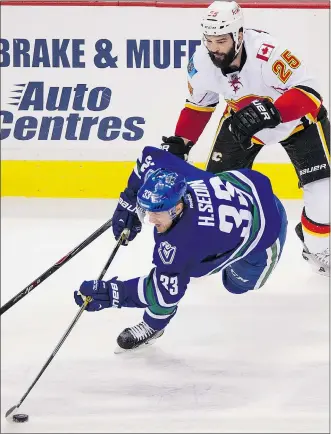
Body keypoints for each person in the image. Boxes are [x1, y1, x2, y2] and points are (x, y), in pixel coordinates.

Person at [160, 0, 330, 276]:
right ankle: (206, 249)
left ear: (238, 35)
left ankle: (317, 247)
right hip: (242, 124)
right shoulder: (202, 62)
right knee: (213, 195)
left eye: (221, 40)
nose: (215, 48)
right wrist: (182, 141)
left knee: (325, 200)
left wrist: (274, 110)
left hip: (299, 124)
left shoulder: (269, 53)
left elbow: (310, 94)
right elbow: (199, 105)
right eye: (210, 40)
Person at [74, 146, 287, 352]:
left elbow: (164, 294)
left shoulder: (182, 244)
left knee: (236, 285)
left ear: (177, 207)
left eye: (157, 212)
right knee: (191, 264)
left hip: (266, 231)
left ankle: (154, 328)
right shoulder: (182, 179)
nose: (149, 217)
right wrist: (129, 202)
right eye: (147, 209)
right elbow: (150, 157)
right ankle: (215, 250)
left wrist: (112, 294)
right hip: (247, 187)